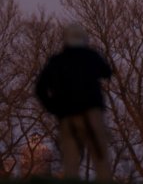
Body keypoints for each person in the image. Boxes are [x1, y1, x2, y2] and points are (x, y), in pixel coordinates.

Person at [35, 23, 113, 181]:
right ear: (84, 39)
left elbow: (39, 89)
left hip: (67, 116)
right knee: (100, 157)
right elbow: (107, 72)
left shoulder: (56, 61)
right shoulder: (91, 56)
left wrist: (54, 107)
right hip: (92, 114)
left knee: (71, 159)